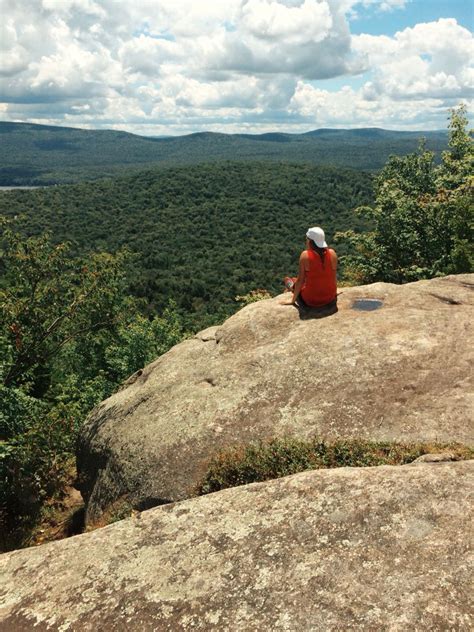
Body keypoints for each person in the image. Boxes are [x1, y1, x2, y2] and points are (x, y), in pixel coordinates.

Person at [281, 226, 337, 308]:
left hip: (311, 299)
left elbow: (300, 280)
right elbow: (333, 276)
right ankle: (291, 285)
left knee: (289, 280)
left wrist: (292, 301)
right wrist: (334, 293)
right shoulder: (332, 253)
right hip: (329, 297)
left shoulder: (305, 255)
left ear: (310, 241)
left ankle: (290, 286)